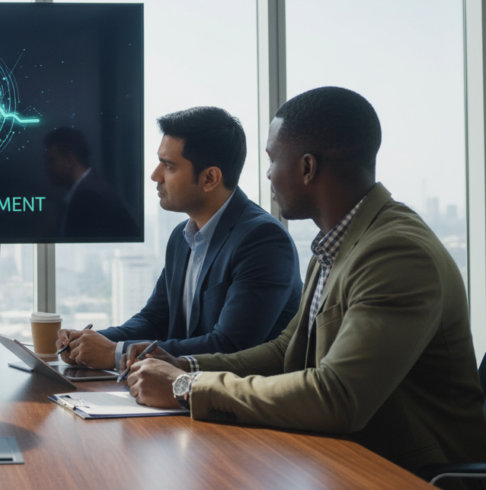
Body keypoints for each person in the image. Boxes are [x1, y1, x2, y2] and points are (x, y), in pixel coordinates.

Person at [126, 87, 486, 480]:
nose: (266, 175)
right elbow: (288, 350)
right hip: (337, 458)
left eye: (272, 159)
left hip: (405, 472)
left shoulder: (396, 253)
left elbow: (338, 396)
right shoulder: (335, 244)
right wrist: (185, 364)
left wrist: (187, 386)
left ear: (307, 167)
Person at [57, 107, 301, 370]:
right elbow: (155, 319)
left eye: (169, 166)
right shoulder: (181, 236)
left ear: (210, 178)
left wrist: (115, 354)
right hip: (179, 392)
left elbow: (230, 345)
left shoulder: (262, 240)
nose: (155, 175)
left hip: (238, 403)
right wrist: (90, 342)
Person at [44, 127, 139, 239]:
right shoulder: (90, 189)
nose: (47, 167)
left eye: (51, 160)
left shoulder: (89, 198)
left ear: (69, 160)